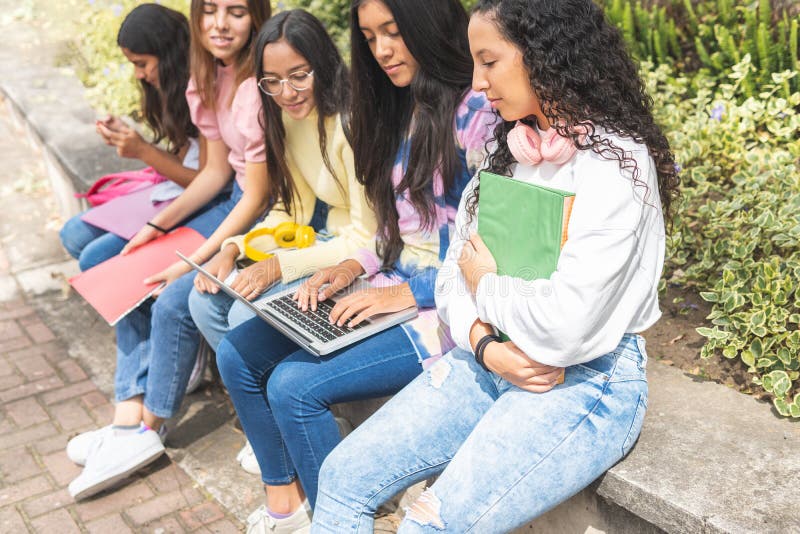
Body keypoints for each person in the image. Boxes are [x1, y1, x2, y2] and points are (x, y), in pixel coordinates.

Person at [311, 0, 681, 532]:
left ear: (543, 55)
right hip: (491, 355)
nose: (479, 83)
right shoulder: (512, 147)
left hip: (583, 380)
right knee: (342, 476)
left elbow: (565, 327)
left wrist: (484, 282)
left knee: (427, 525)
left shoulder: (616, 166)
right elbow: (449, 274)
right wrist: (485, 344)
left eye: (490, 62)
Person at [212, 0, 495, 531]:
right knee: (240, 351)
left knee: (293, 389)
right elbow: (391, 229)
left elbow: (495, 259)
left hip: (441, 310)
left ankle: (334, 520)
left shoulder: (478, 116)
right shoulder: (394, 107)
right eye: (369, 37)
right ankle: (293, 506)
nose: (382, 49)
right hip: (383, 282)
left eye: (393, 31)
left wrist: (412, 294)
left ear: (428, 24)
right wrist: (349, 267)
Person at [65, 0, 273, 501]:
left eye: (236, 11)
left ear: (257, 15)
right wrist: (155, 226)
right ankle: (127, 415)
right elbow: (216, 173)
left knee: (175, 297)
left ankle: (148, 429)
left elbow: (256, 194)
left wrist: (201, 255)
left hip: (260, 214)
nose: (220, 24)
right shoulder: (215, 79)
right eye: (210, 11)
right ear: (196, 18)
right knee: (118, 261)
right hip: (228, 198)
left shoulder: (261, 84)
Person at [187, 6, 374, 481]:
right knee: (204, 299)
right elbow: (290, 212)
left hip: (359, 259)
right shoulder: (288, 115)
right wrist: (238, 246)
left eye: (298, 76)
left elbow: (366, 238)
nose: (286, 93)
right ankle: (270, 428)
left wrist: (277, 268)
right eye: (271, 80)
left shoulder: (353, 122)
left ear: (324, 65)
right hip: (323, 239)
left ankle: (291, 433)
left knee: (240, 313)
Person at [59, 3, 203, 271]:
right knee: (73, 233)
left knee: (95, 259)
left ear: (170, 54)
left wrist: (143, 151)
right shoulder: (172, 91)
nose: (139, 74)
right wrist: (133, 140)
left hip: (202, 201)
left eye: (142, 64)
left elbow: (205, 182)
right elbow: (184, 161)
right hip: (175, 191)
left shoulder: (203, 90)